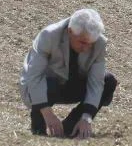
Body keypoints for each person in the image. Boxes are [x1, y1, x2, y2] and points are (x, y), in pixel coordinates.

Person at [19, 8, 117, 139]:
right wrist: (48, 114)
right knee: (49, 84)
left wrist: (87, 117)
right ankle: (38, 129)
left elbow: (96, 82)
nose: (86, 48)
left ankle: (70, 127)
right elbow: (34, 75)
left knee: (108, 81)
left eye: (90, 44)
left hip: (72, 84)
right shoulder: (49, 35)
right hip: (44, 87)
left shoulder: (99, 43)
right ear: (70, 31)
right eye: (82, 42)